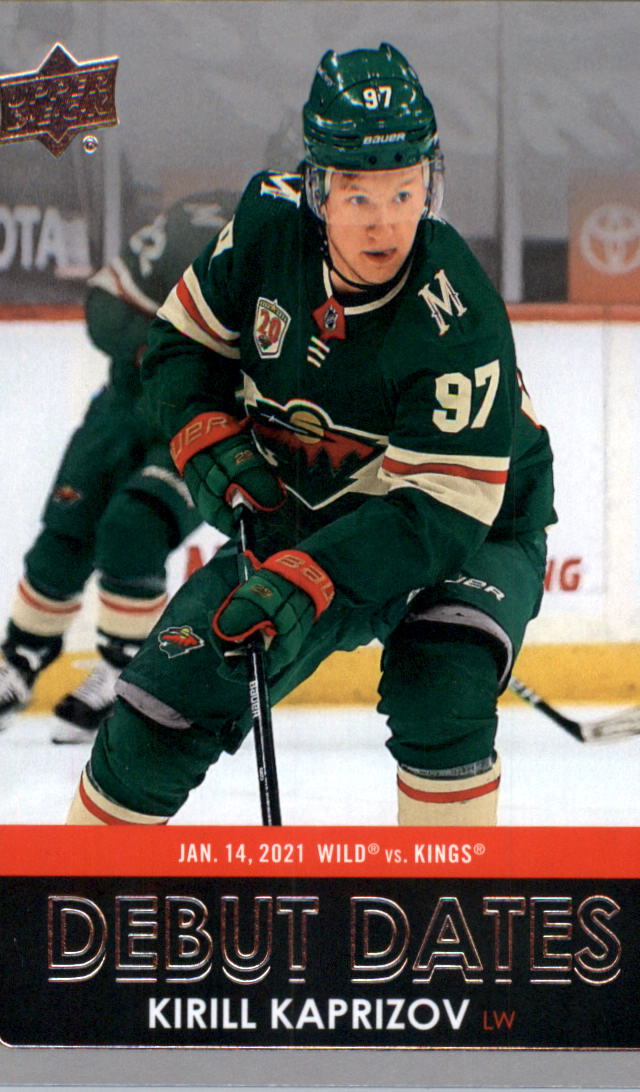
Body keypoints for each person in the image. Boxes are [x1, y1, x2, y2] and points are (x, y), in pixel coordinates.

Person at [66, 42, 555, 825]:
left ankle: (447, 900)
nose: (386, 223)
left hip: (473, 523)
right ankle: (77, 898)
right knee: (161, 713)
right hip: (304, 510)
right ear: (317, 189)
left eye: (405, 192)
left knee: (442, 687)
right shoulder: (265, 229)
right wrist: (206, 438)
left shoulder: (456, 315)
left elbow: (437, 516)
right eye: (359, 196)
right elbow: (181, 346)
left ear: (431, 183)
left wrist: (311, 577)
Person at [0, 191, 237, 743]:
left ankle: (123, 672)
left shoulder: (298, 252)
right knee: (65, 531)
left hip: (203, 422)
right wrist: (164, 346)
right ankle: (19, 665)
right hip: (121, 410)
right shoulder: (195, 220)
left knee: (134, 528)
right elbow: (105, 305)